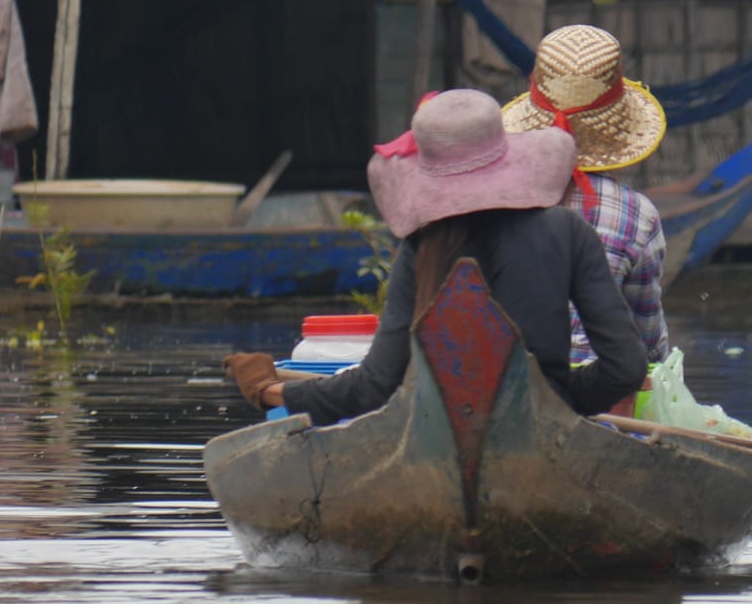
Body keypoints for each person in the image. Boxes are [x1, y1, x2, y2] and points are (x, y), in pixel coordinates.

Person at [224, 89, 647, 426]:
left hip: (436, 430)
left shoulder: (422, 247)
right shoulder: (568, 231)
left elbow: (379, 386)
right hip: (548, 431)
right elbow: (626, 369)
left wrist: (270, 391)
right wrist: (557, 399)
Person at [501, 25, 671, 364]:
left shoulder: (496, 201)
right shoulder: (637, 214)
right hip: (601, 396)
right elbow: (649, 342)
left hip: (503, 384)